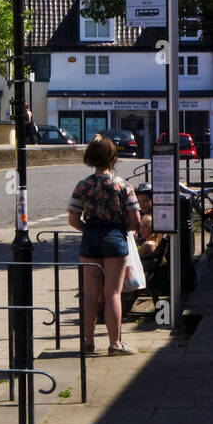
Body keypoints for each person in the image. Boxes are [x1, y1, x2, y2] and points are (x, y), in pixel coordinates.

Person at [67, 135, 141, 356]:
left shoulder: (83, 185)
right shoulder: (122, 185)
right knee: (113, 293)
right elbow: (135, 219)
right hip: (115, 237)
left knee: (90, 294)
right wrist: (122, 230)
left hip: (90, 239)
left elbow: (73, 218)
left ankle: (88, 343)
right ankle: (115, 343)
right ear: (112, 158)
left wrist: (89, 230)